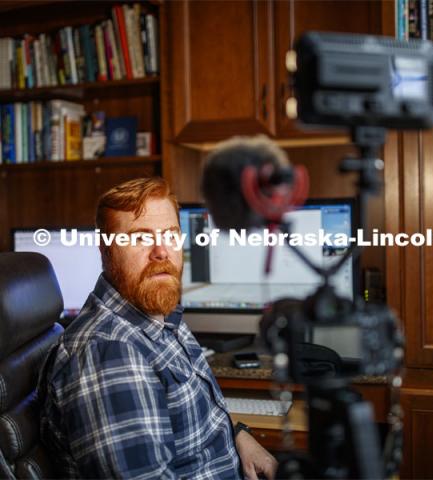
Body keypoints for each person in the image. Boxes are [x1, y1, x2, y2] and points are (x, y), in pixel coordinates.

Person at [39, 177, 278, 479]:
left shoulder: (158, 312)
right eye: (140, 238)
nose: (162, 252)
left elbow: (193, 417)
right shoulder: (110, 352)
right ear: (106, 250)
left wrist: (239, 435)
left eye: (171, 235)